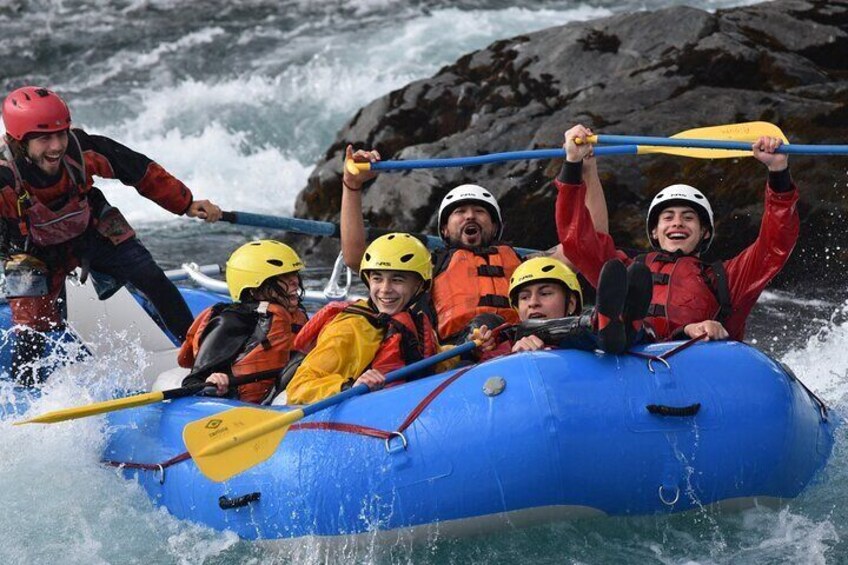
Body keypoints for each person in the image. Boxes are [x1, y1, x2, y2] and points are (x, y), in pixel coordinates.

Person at [1, 86, 222, 386]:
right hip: (31, 250)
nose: (56, 146)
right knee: (31, 328)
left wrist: (184, 203)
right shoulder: (4, 177)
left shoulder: (81, 148)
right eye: (44, 138)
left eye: (61, 134)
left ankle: (206, 357)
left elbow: (139, 170)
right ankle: (25, 392)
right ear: (19, 141)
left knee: (150, 276)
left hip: (92, 228)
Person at [340, 144, 609, 344]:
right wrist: (351, 186)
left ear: (495, 226)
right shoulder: (427, 268)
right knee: (485, 324)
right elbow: (357, 258)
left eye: (480, 212)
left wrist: (587, 169)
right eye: (460, 212)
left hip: (522, 343)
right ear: (444, 229)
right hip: (458, 353)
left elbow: (588, 243)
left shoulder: (528, 266)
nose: (470, 215)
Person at [555, 124, 799, 342]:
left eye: (688, 217)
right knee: (620, 275)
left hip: (691, 357)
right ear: (654, 231)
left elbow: (775, 246)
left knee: (644, 308)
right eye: (668, 217)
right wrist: (572, 165)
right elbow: (577, 240)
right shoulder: (625, 268)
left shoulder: (725, 278)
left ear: (705, 233)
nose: (677, 223)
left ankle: (624, 328)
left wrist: (778, 172)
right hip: (630, 355)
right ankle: (617, 327)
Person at [285, 233, 494, 405]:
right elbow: (299, 386)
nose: (385, 290)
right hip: (360, 418)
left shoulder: (416, 319)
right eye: (377, 278)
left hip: (400, 407)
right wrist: (350, 386)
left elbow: (432, 361)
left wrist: (469, 347)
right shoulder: (350, 329)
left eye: (397, 280)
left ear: (420, 286)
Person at [178, 240, 308, 403]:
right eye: (283, 277)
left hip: (278, 394)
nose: (295, 281)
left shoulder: (296, 315)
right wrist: (215, 381)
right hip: (242, 405)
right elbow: (193, 382)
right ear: (254, 289)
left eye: (294, 273)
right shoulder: (233, 321)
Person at [501, 255, 652, 355]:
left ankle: (629, 327)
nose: (533, 303)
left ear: (571, 303)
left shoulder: (589, 350)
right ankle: (597, 325)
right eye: (524, 297)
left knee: (622, 342)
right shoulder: (506, 342)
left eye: (545, 293)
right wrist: (514, 356)